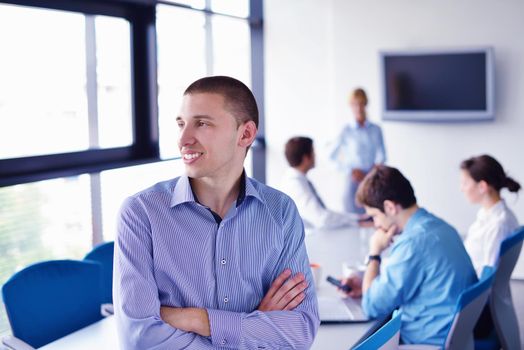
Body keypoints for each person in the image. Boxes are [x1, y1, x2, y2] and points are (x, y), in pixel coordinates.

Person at [113, 76, 319, 349]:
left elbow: (300, 331)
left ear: (245, 134)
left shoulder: (280, 212)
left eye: (202, 123)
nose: (183, 139)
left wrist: (198, 319)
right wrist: (255, 324)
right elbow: (138, 338)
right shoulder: (140, 214)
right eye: (181, 124)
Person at [340, 165, 477, 345]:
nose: (375, 224)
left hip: (427, 341)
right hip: (458, 339)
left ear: (389, 207)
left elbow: (372, 305)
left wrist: (374, 253)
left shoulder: (412, 243)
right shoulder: (440, 227)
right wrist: (368, 283)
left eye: (374, 215)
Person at [460, 154, 521, 277]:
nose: (462, 189)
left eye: (465, 183)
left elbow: (487, 277)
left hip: (476, 290)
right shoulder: (489, 214)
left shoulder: (498, 225)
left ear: (482, 186)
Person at [281, 136, 359, 229]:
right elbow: (322, 219)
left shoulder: (298, 179)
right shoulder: (295, 184)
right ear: (306, 158)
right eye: (313, 152)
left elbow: (322, 213)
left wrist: (355, 218)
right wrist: (356, 220)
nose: (315, 156)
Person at [329, 88, 386, 214]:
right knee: (352, 218)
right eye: (355, 104)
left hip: (371, 178)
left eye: (361, 103)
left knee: (375, 215)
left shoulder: (376, 129)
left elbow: (382, 155)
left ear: (366, 104)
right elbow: (331, 156)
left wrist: (376, 168)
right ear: (350, 106)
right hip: (354, 181)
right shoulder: (346, 131)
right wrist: (350, 170)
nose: (358, 108)